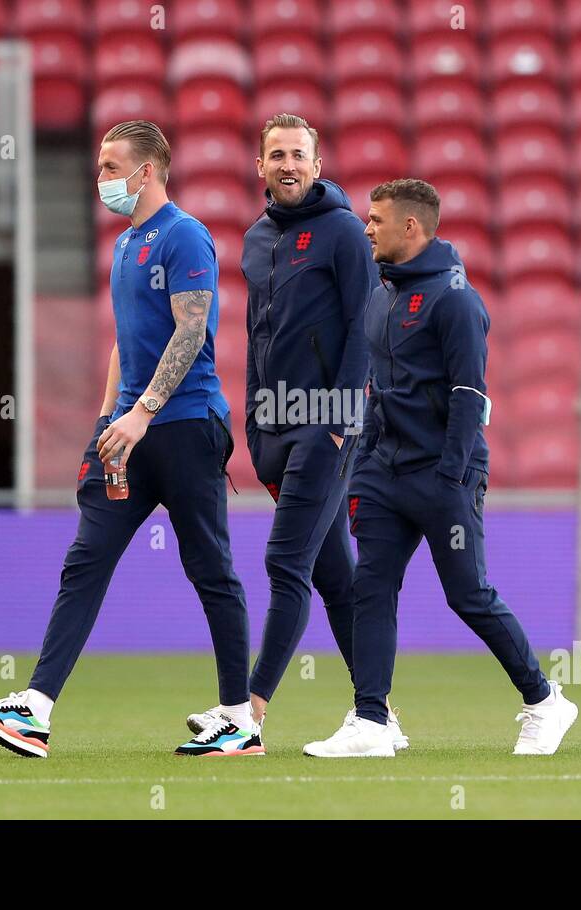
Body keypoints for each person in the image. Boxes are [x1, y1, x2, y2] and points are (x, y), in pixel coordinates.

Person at [0, 121, 260, 759]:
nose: (102, 178)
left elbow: (191, 330)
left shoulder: (186, 236)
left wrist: (144, 412)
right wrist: (104, 422)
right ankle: (35, 711)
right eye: (100, 166)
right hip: (126, 432)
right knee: (85, 562)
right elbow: (131, 341)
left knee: (210, 570)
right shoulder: (126, 246)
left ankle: (239, 718)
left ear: (146, 171)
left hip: (184, 428)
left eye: (110, 166)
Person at [303, 179, 579, 758]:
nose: (366, 227)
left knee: (468, 594)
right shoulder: (381, 296)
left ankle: (544, 701)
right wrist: (366, 466)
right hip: (385, 474)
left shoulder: (456, 300)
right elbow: (379, 390)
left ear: (411, 227)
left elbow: (467, 396)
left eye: (375, 219)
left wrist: (449, 476)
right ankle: (372, 722)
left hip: (443, 475)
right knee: (370, 587)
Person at [185, 113, 408, 751]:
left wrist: (340, 419)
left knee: (286, 562)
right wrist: (256, 429)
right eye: (276, 154)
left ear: (317, 164)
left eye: (298, 155)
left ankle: (248, 714)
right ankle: (379, 714)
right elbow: (258, 341)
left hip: (328, 426)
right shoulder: (257, 239)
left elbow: (369, 324)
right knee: (335, 579)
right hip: (277, 428)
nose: (287, 165)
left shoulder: (342, 231)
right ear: (259, 166)